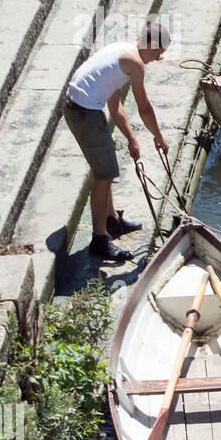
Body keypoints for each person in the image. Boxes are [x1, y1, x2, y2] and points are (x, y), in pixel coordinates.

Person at [63, 21, 171, 262]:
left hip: (79, 109)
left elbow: (115, 106)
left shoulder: (121, 50)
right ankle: (100, 241)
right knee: (104, 175)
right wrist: (158, 136)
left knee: (105, 170)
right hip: (85, 112)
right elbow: (144, 108)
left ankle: (112, 221)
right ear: (151, 44)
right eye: (158, 54)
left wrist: (131, 139)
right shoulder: (136, 64)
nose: (157, 59)